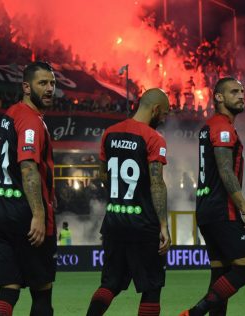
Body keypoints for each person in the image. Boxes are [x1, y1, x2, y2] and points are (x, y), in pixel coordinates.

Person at [86, 88, 171, 316]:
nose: (164, 119)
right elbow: (157, 184)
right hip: (143, 225)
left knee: (109, 284)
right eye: (164, 114)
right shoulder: (154, 138)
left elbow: (103, 175)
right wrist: (163, 225)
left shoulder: (109, 133)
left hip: (114, 222)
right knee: (152, 287)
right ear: (155, 109)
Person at [181, 77, 245, 316]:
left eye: (242, 92)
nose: (240, 95)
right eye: (234, 92)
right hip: (222, 210)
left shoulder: (209, 127)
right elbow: (226, 171)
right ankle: (194, 314)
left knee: (221, 275)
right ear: (218, 97)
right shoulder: (222, 128)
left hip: (206, 209)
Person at [0, 61, 57, 315]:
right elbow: (28, 167)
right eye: (43, 83)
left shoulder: (11, 113)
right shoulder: (31, 121)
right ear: (26, 87)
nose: (49, 89)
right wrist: (39, 215)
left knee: (8, 289)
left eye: (52, 83)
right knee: (42, 291)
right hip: (25, 215)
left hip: (2, 210)